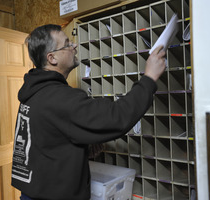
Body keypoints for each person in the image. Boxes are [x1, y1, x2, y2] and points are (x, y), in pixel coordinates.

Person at [11, 24, 166, 200]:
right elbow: (115, 117)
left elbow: (46, 140)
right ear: (52, 58)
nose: (74, 46)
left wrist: (81, 145)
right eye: (67, 44)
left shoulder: (35, 92)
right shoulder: (59, 98)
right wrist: (149, 79)